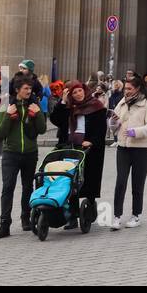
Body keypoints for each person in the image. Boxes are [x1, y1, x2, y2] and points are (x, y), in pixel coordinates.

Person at [0, 78, 47, 238]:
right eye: (25, 88)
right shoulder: (6, 106)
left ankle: (26, 217)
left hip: (30, 153)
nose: (29, 91)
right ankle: (4, 223)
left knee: (28, 187)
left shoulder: (34, 105)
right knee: (8, 187)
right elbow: (0, 133)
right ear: (17, 90)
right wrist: (9, 116)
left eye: (30, 88)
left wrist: (37, 114)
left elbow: (42, 129)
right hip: (11, 153)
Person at [108, 76, 147, 229]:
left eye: (129, 89)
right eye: (125, 88)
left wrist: (135, 132)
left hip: (141, 149)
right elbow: (114, 126)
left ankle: (136, 215)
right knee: (120, 182)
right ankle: (117, 216)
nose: (126, 91)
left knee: (137, 184)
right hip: (123, 147)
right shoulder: (122, 103)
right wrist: (113, 122)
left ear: (137, 89)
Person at [55, 80, 107, 223]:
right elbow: (56, 120)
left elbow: (101, 128)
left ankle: (90, 207)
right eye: (74, 92)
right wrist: (63, 102)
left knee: (89, 179)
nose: (78, 94)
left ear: (84, 90)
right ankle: (72, 214)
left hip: (90, 148)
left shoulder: (96, 106)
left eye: (79, 91)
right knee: (70, 179)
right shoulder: (69, 107)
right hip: (71, 147)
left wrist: (91, 141)